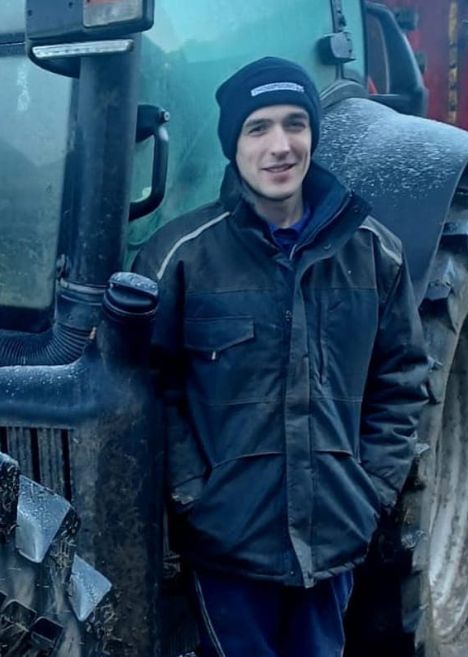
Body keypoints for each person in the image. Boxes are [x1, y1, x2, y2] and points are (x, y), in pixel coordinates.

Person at [132, 57, 430, 657]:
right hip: (229, 542)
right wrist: (193, 493)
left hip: (333, 536)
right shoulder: (181, 257)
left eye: (295, 123)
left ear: (313, 135)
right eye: (258, 127)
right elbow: (150, 389)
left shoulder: (374, 254)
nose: (280, 146)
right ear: (233, 145)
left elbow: (401, 381)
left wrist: (370, 490)